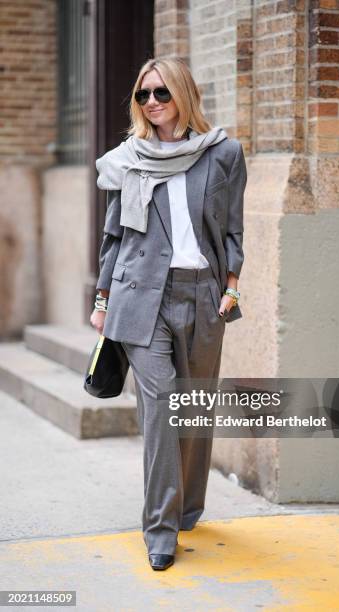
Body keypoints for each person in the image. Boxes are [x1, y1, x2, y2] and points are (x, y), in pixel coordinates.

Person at [90, 56, 247, 571]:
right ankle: (160, 530)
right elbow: (115, 236)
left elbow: (231, 230)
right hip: (142, 298)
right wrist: (102, 298)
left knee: (195, 408)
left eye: (160, 93)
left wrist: (232, 285)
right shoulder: (128, 158)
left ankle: (186, 508)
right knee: (160, 412)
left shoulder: (222, 153)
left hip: (202, 293)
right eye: (143, 95)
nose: (152, 103)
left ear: (183, 93)